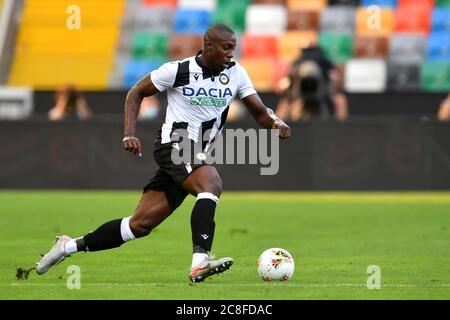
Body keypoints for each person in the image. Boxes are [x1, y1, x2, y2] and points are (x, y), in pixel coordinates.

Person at [36, 24, 291, 283]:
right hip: (174, 144)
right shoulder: (178, 70)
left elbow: (260, 112)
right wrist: (129, 133)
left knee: (138, 225)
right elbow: (136, 93)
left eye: (233, 48)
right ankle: (200, 263)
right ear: (209, 45)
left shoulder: (236, 74)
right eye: (226, 48)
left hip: (196, 154)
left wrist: (277, 122)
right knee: (211, 184)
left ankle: (67, 247)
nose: (230, 54)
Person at [275, 44, 348, 122]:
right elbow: (286, 81)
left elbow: (335, 78)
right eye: (307, 51)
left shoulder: (325, 63)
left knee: (340, 100)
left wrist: (332, 84)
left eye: (311, 50)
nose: (309, 54)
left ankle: (340, 129)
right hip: (298, 94)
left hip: (323, 94)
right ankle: (278, 129)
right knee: (284, 105)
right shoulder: (296, 63)